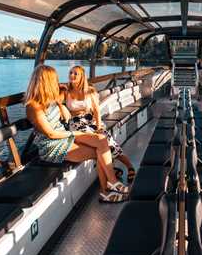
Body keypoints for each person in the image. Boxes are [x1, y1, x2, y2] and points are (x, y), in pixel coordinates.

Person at [25, 65, 129, 203]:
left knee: (102, 140)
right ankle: (106, 189)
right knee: (99, 151)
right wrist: (76, 134)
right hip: (52, 146)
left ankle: (111, 183)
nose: (57, 82)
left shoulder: (51, 98)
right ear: (46, 82)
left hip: (65, 135)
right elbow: (50, 134)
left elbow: (66, 91)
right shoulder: (33, 106)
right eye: (54, 80)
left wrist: (61, 106)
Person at [63, 66, 136, 183]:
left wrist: (98, 126)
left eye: (75, 74)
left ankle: (130, 166)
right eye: (71, 73)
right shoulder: (66, 90)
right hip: (76, 123)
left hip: (90, 120)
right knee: (96, 142)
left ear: (82, 76)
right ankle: (111, 170)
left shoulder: (90, 90)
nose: (72, 75)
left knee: (108, 141)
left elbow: (96, 110)